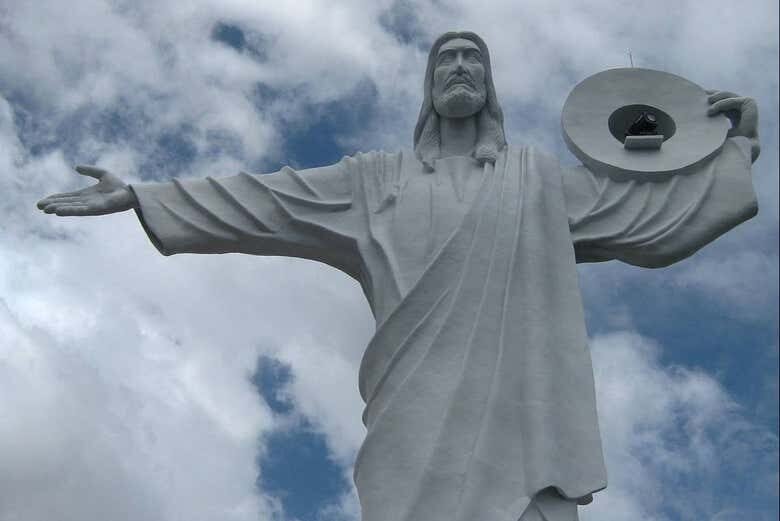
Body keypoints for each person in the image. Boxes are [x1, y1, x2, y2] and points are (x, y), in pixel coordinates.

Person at [37, 31, 760, 521]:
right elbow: (268, 198)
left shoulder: (535, 180)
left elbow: (646, 218)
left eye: (473, 61)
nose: (460, 70)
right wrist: (141, 194)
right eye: (446, 60)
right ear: (426, 85)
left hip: (521, 421)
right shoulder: (372, 181)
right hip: (412, 415)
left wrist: (736, 148)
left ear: (491, 87)